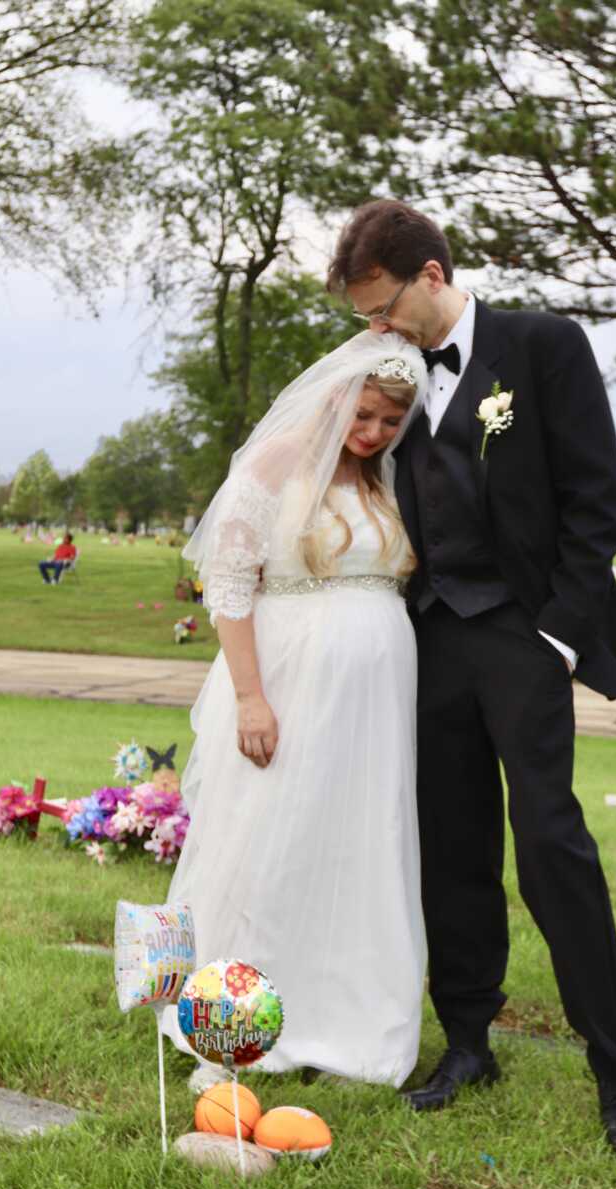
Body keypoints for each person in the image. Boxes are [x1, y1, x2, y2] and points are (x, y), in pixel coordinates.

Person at [327, 200, 616, 1155]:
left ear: (431, 275)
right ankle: (469, 1040)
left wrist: (559, 636)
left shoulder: (543, 345)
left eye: (384, 306)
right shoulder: (381, 370)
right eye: (363, 315)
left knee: (551, 843)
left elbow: (596, 502)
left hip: (524, 637)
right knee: (451, 845)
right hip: (427, 639)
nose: (376, 330)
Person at [161, 330, 430, 1090]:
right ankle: (232, 1034)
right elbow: (230, 584)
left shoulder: (387, 480)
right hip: (289, 679)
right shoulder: (278, 462)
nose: (374, 434)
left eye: (391, 423)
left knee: (359, 845)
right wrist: (251, 696)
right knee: (270, 844)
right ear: (338, 396)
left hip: (376, 698)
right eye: (366, 416)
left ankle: (349, 1029)